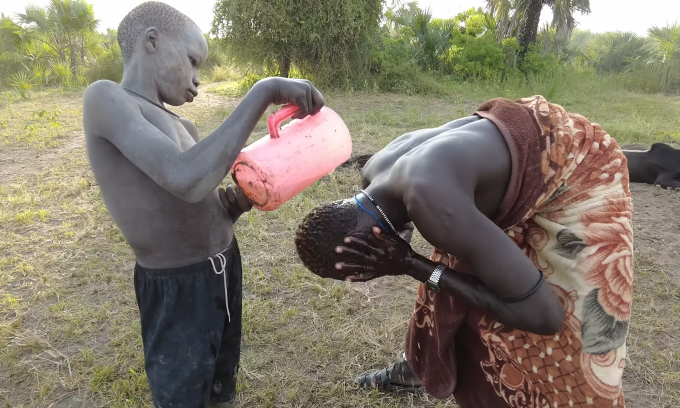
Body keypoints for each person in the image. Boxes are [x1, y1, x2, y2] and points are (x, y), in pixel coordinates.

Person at [295, 95, 634, 407]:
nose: (367, 276)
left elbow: (544, 316)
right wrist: (419, 263)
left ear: (365, 244)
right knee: (450, 277)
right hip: (524, 133)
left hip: (577, 166)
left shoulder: (432, 202)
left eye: (360, 270)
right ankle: (416, 368)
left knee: (585, 329)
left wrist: (412, 264)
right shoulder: (376, 172)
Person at [82, 2, 325, 407]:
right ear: (152, 41)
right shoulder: (107, 98)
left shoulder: (185, 126)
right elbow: (184, 177)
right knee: (183, 395)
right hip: (176, 283)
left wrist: (232, 206)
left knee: (219, 381)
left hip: (224, 266)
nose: (196, 81)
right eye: (193, 62)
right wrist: (265, 91)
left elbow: (200, 191)